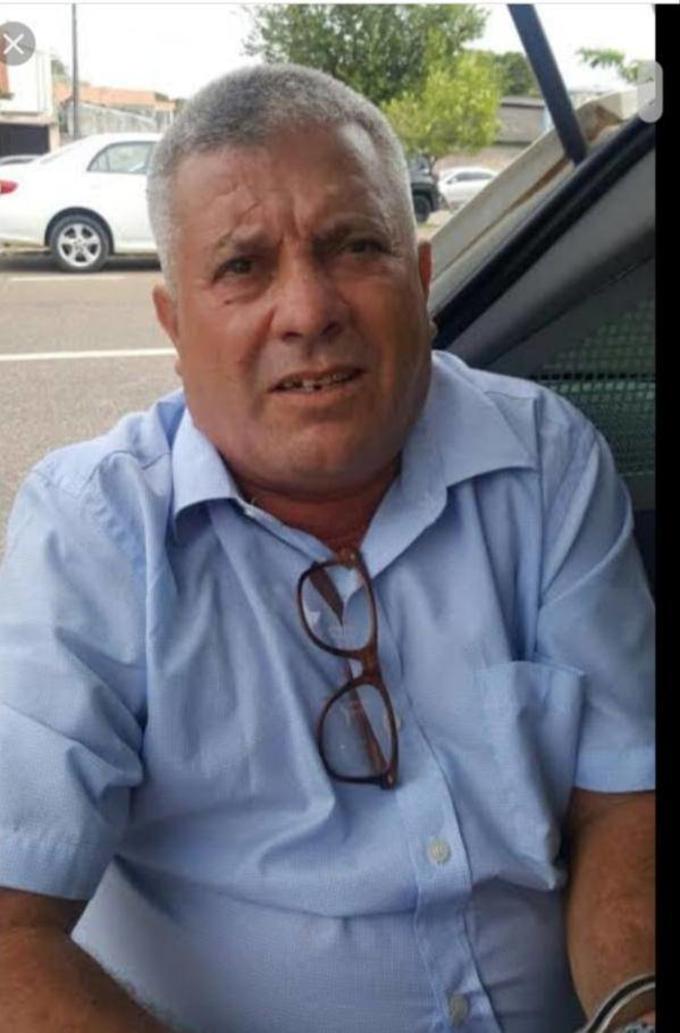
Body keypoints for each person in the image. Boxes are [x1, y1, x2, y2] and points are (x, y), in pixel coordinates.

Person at [0, 64, 654, 1033]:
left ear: (420, 280)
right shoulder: (95, 529)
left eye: (355, 247)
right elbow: (12, 930)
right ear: (175, 324)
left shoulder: (545, 461)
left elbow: (621, 804)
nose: (308, 311)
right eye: (242, 266)